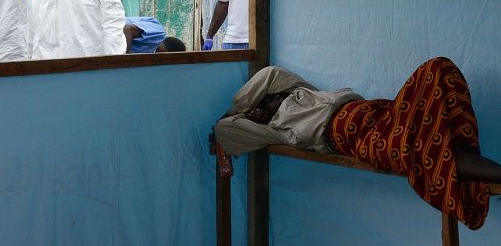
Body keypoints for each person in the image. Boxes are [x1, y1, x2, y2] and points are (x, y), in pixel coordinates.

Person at [214, 57, 501, 230]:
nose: (260, 109)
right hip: (355, 138)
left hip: (377, 112)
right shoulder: (277, 130)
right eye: (253, 114)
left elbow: (270, 74)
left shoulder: (303, 93)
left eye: (266, 101)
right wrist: (238, 116)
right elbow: (226, 131)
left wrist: (241, 105)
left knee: (438, 68)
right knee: (425, 148)